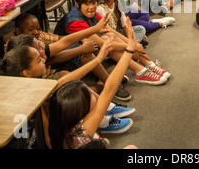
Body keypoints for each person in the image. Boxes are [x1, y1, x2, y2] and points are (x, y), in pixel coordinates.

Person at [48, 21, 138, 149]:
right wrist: (129, 50)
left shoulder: (61, 127)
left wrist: (99, 59)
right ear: (83, 111)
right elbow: (109, 90)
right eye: (89, 94)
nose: (93, 93)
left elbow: (62, 83)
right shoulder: (85, 130)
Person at [54, 0, 170, 84]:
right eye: (86, 4)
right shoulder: (74, 21)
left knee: (110, 36)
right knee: (107, 42)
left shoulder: (90, 12)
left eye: (93, 3)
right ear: (78, 4)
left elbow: (108, 29)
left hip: (88, 47)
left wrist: (132, 44)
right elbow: (100, 43)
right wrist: (132, 47)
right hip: (73, 57)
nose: (91, 7)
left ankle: (147, 65)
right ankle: (141, 72)